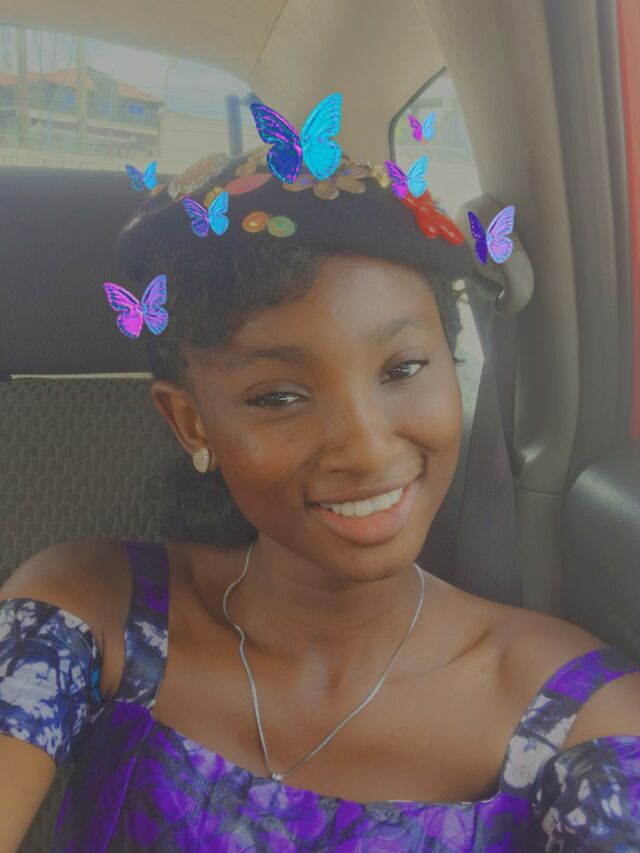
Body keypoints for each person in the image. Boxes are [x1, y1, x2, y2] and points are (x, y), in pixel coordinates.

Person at [1, 138, 640, 852]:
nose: (367, 448)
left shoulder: (579, 714)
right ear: (191, 422)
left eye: (403, 368)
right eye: (278, 396)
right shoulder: (94, 607)